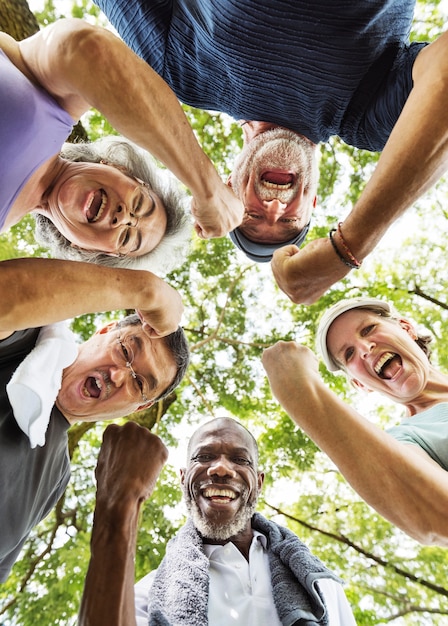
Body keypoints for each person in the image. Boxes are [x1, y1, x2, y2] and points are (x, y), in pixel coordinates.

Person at [94, 0, 448, 300]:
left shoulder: (185, 78)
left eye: (253, 215)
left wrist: (201, 182)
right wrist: (349, 245)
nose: (275, 206)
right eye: (290, 219)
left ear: (228, 187)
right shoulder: (365, 116)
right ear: (313, 201)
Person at [0, 256, 190, 582]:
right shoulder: (28, 333)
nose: (118, 375)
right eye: (126, 351)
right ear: (103, 331)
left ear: (137, 409)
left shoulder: (56, 477)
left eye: (139, 383)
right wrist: (144, 289)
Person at [0, 17, 243, 271]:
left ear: (87, 249)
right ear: (118, 168)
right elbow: (90, 50)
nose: (124, 218)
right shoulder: (56, 101)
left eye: (127, 238)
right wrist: (207, 188)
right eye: (140, 204)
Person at [78, 417, 357, 625]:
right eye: (204, 456)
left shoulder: (320, 587)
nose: (221, 468)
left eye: (240, 459)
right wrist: (120, 501)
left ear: (258, 483)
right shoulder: (151, 596)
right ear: (183, 478)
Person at [262, 297, 448, 547]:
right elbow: (438, 517)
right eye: (349, 354)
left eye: (369, 329)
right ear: (360, 384)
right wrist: (302, 395)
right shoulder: (406, 443)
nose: (364, 348)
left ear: (406, 328)